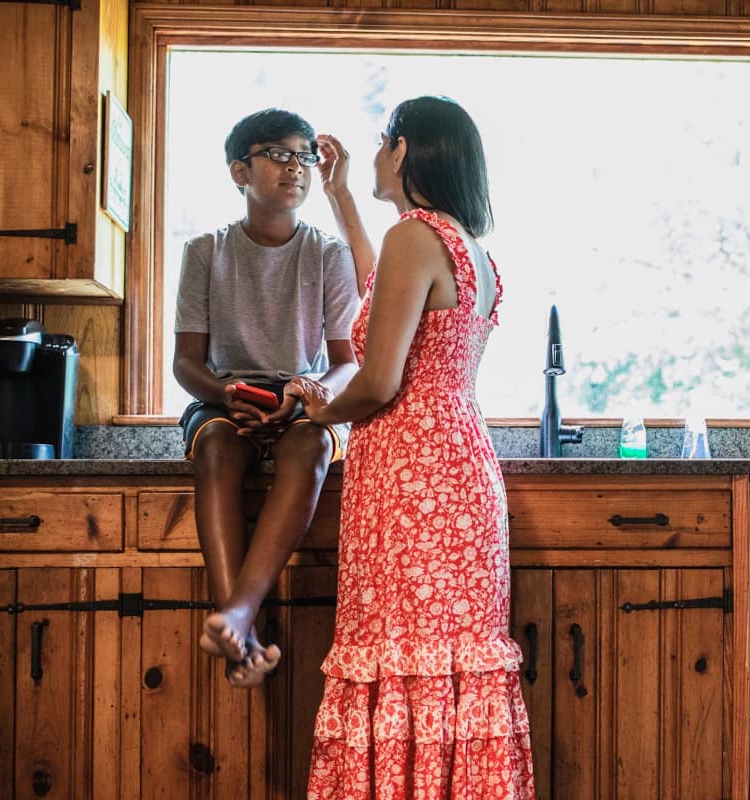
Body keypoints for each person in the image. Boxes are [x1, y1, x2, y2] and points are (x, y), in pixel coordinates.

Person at [296, 97, 535, 798]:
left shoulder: (414, 237)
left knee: (401, 658)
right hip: (458, 468)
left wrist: (322, 413)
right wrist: (340, 197)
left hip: (412, 477)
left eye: (380, 144)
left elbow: (376, 381)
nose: (373, 156)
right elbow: (383, 291)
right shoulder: (463, 246)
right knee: (443, 665)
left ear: (403, 151)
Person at [173, 108, 359, 688]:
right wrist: (227, 397)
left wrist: (304, 395)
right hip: (224, 394)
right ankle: (240, 631)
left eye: (306, 156)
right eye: (279, 154)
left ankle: (235, 621)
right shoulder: (206, 250)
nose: (296, 167)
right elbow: (186, 363)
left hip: (304, 398)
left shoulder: (329, 253)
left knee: (309, 448)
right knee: (218, 449)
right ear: (239, 170)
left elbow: (348, 363)